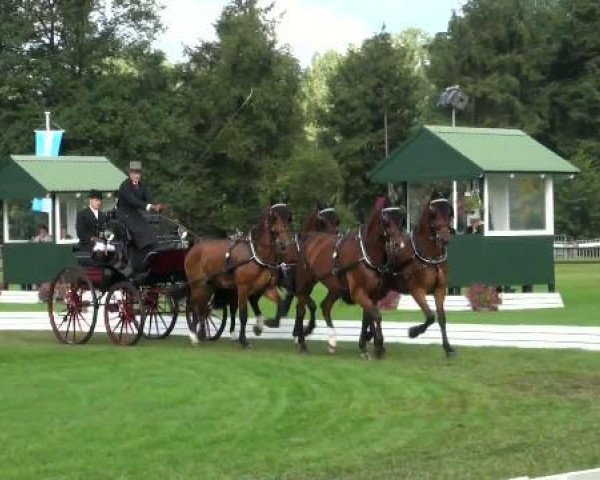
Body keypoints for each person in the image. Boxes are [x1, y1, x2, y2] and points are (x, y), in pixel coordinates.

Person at [116, 161, 162, 272]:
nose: (137, 176)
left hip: (135, 213)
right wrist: (150, 207)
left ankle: (153, 249)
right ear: (130, 174)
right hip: (124, 213)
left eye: (138, 173)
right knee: (140, 227)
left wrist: (157, 206)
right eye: (134, 173)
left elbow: (148, 198)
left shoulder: (141, 186)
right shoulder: (125, 186)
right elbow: (133, 201)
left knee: (147, 226)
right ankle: (143, 252)